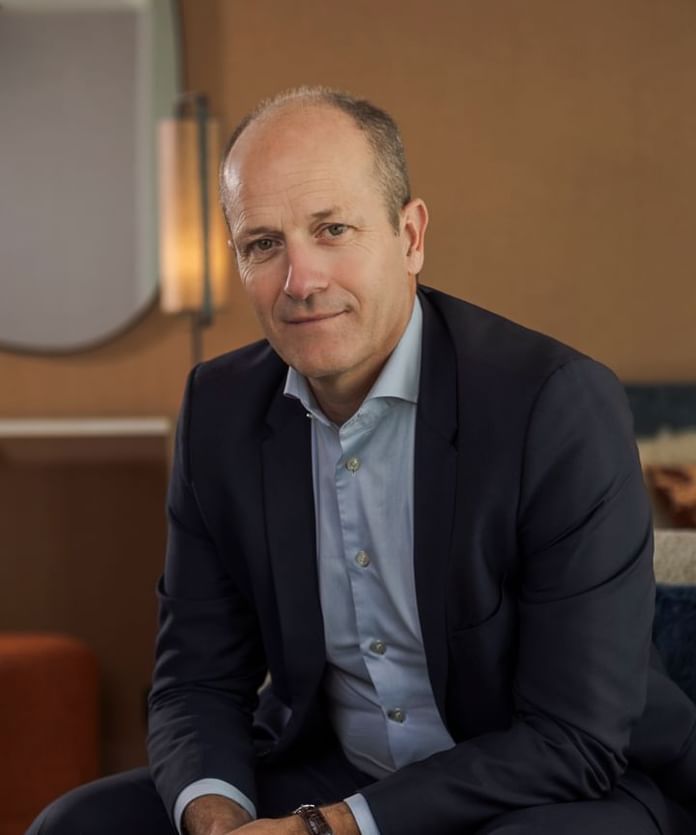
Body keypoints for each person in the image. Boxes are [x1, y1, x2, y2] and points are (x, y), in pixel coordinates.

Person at [28, 87, 696, 835]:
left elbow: (575, 735)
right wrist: (219, 822)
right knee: (76, 824)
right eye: (263, 244)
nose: (300, 281)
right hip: (332, 768)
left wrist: (328, 828)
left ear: (410, 236)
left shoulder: (556, 406)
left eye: (332, 229)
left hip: (550, 789)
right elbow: (197, 679)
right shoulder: (219, 410)